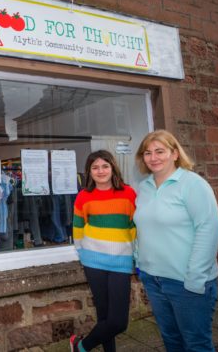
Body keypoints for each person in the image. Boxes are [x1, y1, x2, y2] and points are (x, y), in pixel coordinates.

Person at [133, 129, 218, 352]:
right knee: (171, 341)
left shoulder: (193, 184)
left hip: (186, 282)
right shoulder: (144, 188)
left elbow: (208, 229)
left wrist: (195, 277)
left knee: (196, 344)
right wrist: (140, 263)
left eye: (160, 151)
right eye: (148, 152)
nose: (154, 157)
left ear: (174, 154)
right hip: (154, 280)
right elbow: (142, 228)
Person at [70, 150, 137, 352]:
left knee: (118, 322)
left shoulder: (128, 193)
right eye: (95, 167)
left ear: (113, 167)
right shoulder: (83, 196)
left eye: (105, 166)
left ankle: (81, 346)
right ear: (89, 172)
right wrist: (82, 253)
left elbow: (134, 226)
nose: (100, 171)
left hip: (121, 262)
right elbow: (78, 229)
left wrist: (134, 253)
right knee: (104, 315)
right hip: (93, 262)